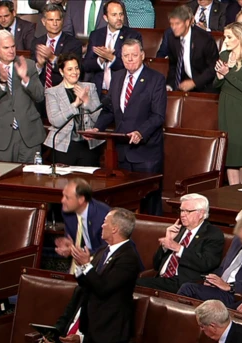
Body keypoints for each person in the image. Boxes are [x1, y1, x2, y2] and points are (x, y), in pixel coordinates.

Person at [90, 39, 166, 215]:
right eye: (126, 56)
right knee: (123, 205)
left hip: (145, 153)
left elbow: (158, 115)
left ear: (142, 55)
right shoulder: (117, 77)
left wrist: (141, 132)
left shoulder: (156, 79)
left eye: (134, 55)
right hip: (122, 152)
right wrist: (97, 128)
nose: (130, 59)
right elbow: (110, 109)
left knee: (149, 205)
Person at [69, 207, 142, 343]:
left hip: (110, 333)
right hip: (91, 329)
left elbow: (104, 288)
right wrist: (81, 265)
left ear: (115, 228)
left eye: (105, 222)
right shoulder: (103, 251)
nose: (102, 225)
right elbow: (87, 283)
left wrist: (86, 265)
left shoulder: (128, 257)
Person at [0, 30, 46, 163]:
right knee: (4, 178)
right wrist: (1, 82)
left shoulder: (28, 65)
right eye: (6, 47)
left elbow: (39, 96)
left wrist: (26, 79)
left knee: (30, 179)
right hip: (0, 136)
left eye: (13, 46)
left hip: (28, 134)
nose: (11, 51)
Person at [136, 194, 225, 293]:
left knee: (133, 285)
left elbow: (207, 263)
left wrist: (179, 249)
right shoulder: (179, 230)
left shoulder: (212, 234)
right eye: (182, 210)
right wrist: (165, 245)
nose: (182, 214)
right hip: (162, 279)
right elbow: (156, 265)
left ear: (201, 213)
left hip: (183, 283)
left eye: (188, 211)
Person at [176, 205, 242, 305]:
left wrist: (230, 287)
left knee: (188, 289)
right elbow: (223, 267)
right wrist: (211, 279)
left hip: (235, 294)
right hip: (219, 288)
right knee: (187, 283)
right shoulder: (237, 240)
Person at [215, 22, 242, 186]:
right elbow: (216, 85)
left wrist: (227, 74)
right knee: (230, 158)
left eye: (229, 37)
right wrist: (219, 77)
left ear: (239, 38)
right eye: (225, 36)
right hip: (225, 108)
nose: (225, 40)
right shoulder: (224, 55)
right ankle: (233, 198)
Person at [44, 53, 104, 166]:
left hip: (88, 145)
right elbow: (55, 120)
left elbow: (99, 118)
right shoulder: (52, 92)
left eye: (76, 68)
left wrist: (87, 101)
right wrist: (75, 104)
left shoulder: (89, 88)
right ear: (61, 71)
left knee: (88, 182)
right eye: (70, 69)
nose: (74, 72)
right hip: (63, 145)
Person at [83, 0, 142, 93]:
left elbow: (133, 65)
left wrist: (111, 58)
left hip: (120, 91)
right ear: (105, 18)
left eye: (121, 14)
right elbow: (86, 65)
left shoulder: (132, 35)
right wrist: (101, 59)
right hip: (97, 91)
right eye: (114, 15)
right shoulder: (96, 35)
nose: (119, 18)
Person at [55, 178, 110, 274]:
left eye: (67, 197)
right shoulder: (67, 211)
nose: (62, 200)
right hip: (80, 264)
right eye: (63, 195)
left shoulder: (103, 216)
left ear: (81, 200)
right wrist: (68, 245)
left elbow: (108, 249)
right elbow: (71, 238)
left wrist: (82, 254)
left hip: (102, 265)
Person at [18, 287, 85, 343]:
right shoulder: (80, 290)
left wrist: (80, 339)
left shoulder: (98, 300)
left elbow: (98, 335)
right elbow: (65, 318)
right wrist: (51, 335)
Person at [164, 5, 220, 93]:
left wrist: (194, 82)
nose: (173, 27)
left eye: (177, 23)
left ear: (187, 22)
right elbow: (173, 66)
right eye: (171, 24)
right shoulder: (172, 39)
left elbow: (213, 67)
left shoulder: (204, 39)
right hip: (184, 87)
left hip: (206, 87)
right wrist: (169, 85)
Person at [30, 3, 83, 93]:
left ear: (62, 21)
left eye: (58, 20)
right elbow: (32, 75)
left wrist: (52, 57)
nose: (55, 24)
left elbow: (73, 72)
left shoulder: (73, 43)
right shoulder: (37, 42)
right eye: (51, 20)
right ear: (43, 21)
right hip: (41, 93)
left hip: (63, 93)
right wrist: (39, 65)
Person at [62, 0, 130, 38]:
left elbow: (124, 32)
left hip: (106, 55)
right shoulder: (73, 3)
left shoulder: (115, 4)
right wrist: (77, 49)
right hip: (78, 55)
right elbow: (67, 33)